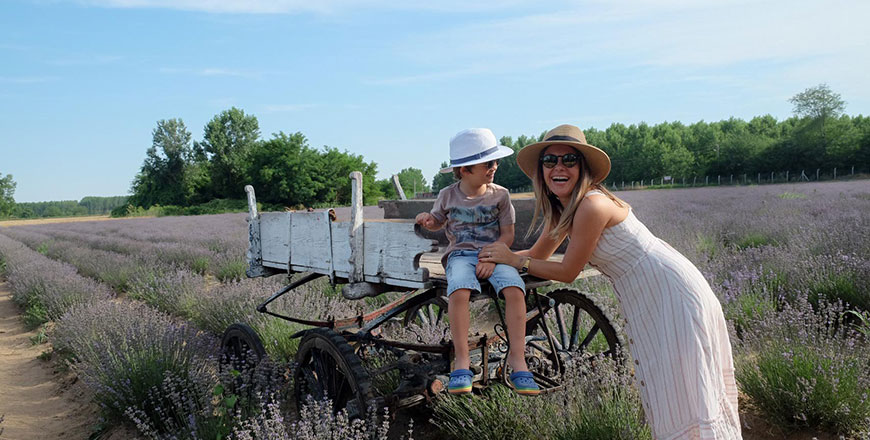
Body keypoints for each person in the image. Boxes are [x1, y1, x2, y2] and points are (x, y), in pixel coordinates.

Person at [479, 124, 741, 438]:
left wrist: (513, 259)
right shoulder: (565, 207)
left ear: (583, 167)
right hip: (648, 292)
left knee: (687, 383)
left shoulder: (591, 205)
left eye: (569, 161)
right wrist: (493, 257)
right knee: (670, 383)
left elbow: (567, 272)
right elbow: (537, 254)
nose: (558, 168)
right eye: (550, 161)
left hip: (672, 291)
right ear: (540, 170)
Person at [416, 128, 540, 396]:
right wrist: (429, 220)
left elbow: (507, 235)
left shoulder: (500, 195)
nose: (494, 167)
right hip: (460, 254)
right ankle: (461, 362)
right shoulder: (447, 195)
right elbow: (438, 221)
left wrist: (492, 258)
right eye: (488, 163)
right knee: (459, 291)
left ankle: (518, 362)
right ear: (465, 170)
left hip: (496, 253)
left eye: (495, 162)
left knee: (515, 290)